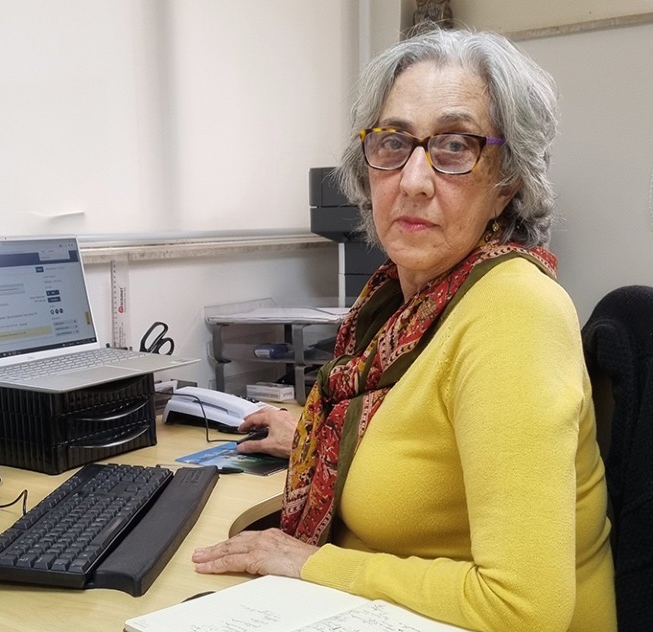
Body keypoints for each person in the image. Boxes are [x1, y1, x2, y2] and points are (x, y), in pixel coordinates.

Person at [193, 26, 616, 632]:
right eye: (393, 142)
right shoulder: (399, 299)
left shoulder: (513, 313)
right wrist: (312, 439)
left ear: (507, 184)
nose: (413, 179)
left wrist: (314, 562)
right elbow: (426, 443)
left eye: (454, 146)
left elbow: (524, 609)